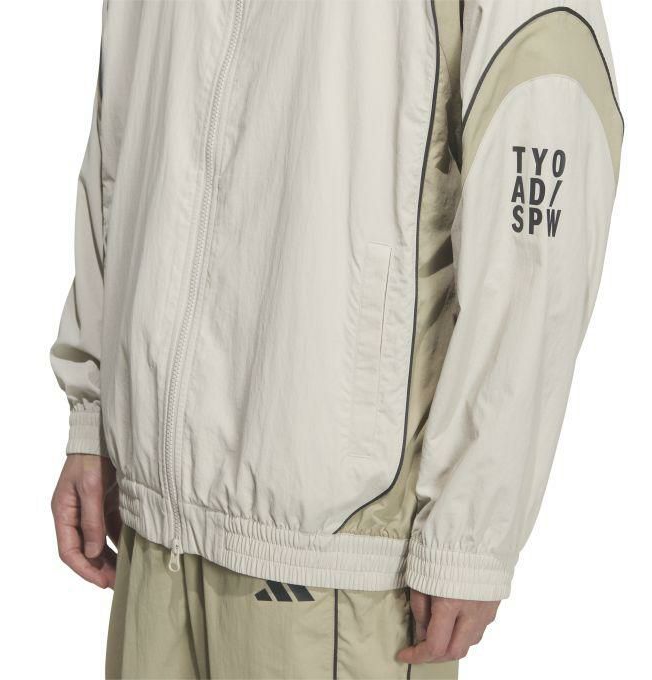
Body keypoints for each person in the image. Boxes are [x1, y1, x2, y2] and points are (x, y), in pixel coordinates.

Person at [50, 1, 623, 678]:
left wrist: (473, 526)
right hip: (152, 525)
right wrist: (93, 413)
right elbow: (119, 128)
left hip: (340, 556)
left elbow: (537, 208)